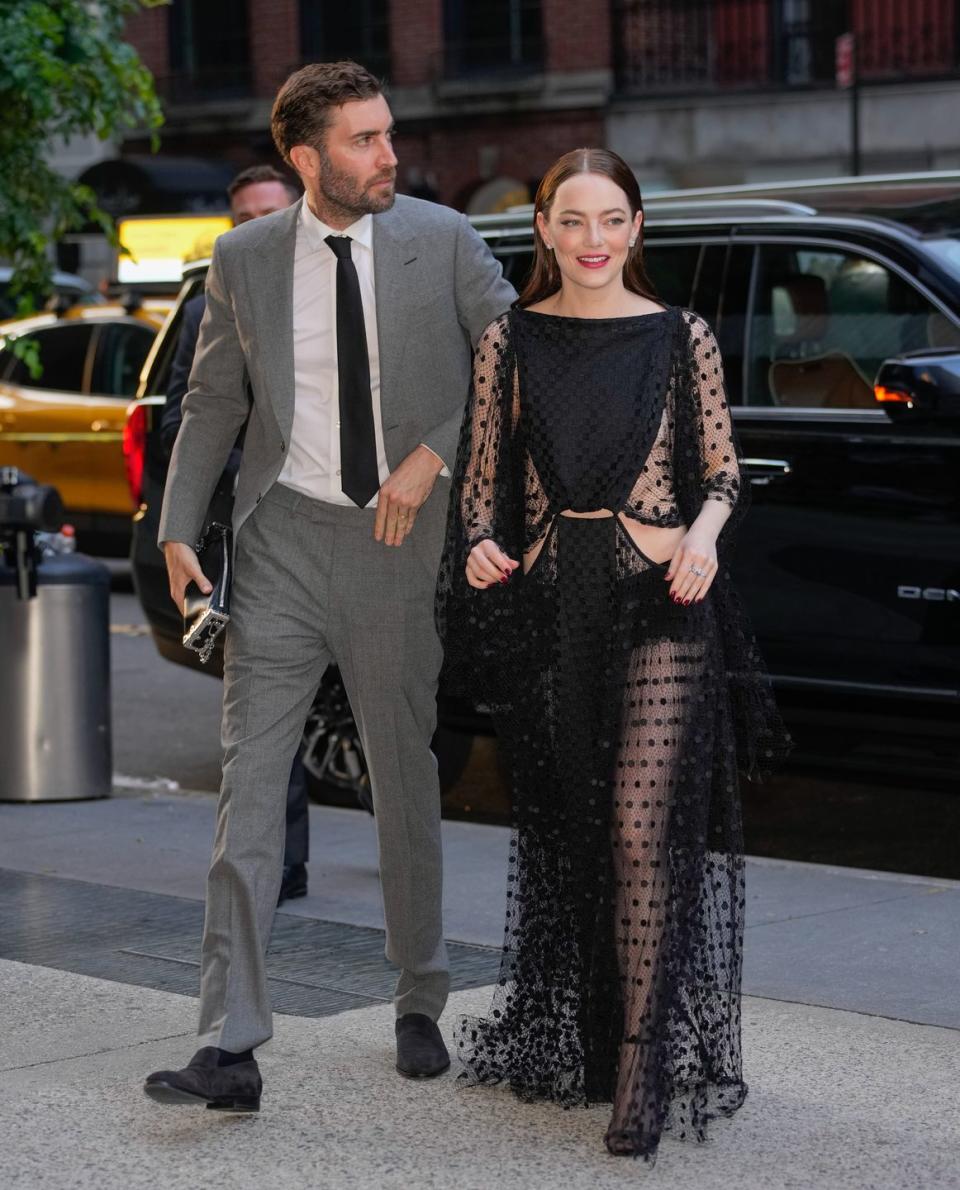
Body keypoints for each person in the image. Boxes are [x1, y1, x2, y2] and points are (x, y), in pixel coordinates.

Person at [143, 60, 514, 1111]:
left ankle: (419, 993)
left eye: (388, 133)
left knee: (402, 774)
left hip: (399, 539)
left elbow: (511, 359)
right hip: (280, 542)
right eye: (363, 140)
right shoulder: (244, 257)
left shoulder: (442, 239)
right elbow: (215, 399)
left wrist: (432, 452)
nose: (388, 154)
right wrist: (178, 531)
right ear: (306, 158)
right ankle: (229, 1038)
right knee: (249, 788)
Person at [436, 148, 789, 1162]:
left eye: (612, 219)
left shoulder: (682, 337)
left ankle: (641, 1065)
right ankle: (597, 1033)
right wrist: (482, 542)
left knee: (641, 826)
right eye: (572, 220)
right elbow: (481, 481)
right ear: (542, 228)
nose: (593, 240)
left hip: (661, 594)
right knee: (580, 831)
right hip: (553, 601)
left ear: (638, 227)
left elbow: (720, 471)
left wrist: (705, 537)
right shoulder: (511, 338)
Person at [160, 165, 309, 906]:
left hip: (357, 527)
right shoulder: (207, 306)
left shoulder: (345, 283)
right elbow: (177, 420)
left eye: (267, 214)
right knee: (264, 707)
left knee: (397, 709)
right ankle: (276, 865)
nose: (254, 227)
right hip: (253, 533)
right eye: (241, 216)